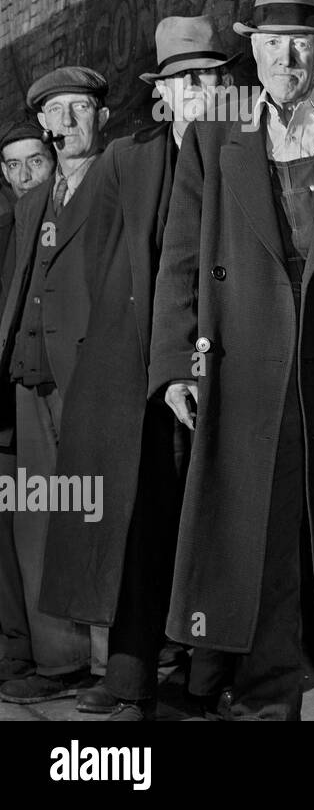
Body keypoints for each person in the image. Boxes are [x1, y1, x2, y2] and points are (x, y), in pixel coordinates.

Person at [149, 0, 314, 720]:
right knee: (256, 534)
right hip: (248, 368)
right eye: (271, 41)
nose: (286, 54)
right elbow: (180, 261)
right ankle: (267, 700)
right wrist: (173, 365)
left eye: (302, 40)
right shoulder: (213, 141)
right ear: (253, 51)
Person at [39, 17, 231, 720]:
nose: (198, 92)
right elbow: (98, 261)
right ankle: (130, 675)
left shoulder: (244, 151)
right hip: (135, 377)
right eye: (184, 81)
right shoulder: (129, 158)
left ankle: (209, 676)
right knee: (136, 524)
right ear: (163, 93)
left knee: (213, 520)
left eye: (209, 78)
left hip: (221, 364)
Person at [0, 67, 111, 704]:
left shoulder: (120, 176)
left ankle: (107, 666)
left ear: (101, 116)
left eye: (79, 109)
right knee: (39, 520)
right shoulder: (30, 205)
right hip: (31, 376)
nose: (66, 123)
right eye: (55, 113)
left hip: (92, 377)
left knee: (96, 512)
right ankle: (59, 660)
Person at [0, 119, 57, 686]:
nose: (23, 177)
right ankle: (22, 652)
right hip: (11, 401)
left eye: (32, 162)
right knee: (15, 538)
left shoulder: (74, 213)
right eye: (12, 167)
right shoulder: (7, 229)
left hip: (54, 396)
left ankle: (60, 658)